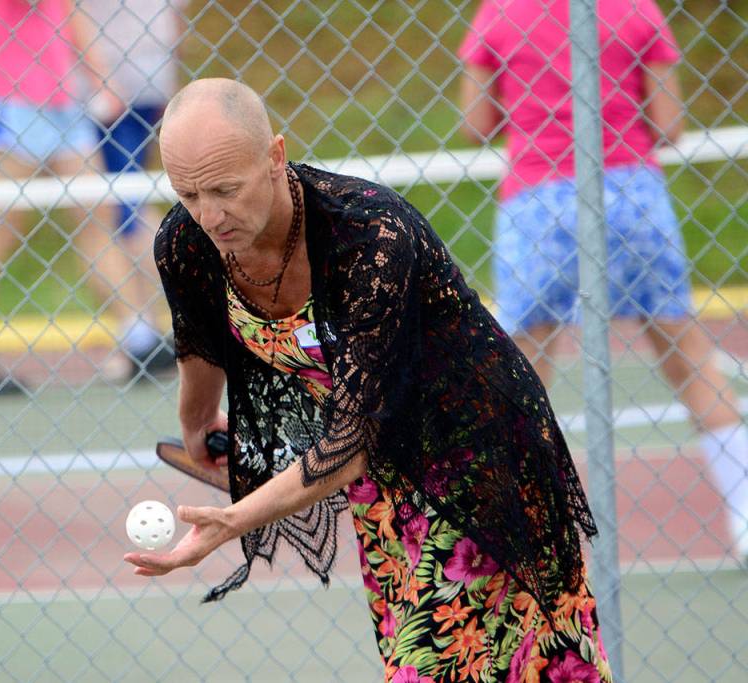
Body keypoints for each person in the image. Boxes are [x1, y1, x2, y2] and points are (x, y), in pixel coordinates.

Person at [125, 78, 614, 682]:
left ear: (276, 157)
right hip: (385, 487)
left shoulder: (370, 237)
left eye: (226, 189)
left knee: (455, 666)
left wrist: (234, 520)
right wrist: (197, 426)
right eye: (189, 193)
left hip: (476, 455)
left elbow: (353, 439)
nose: (209, 214)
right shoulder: (186, 243)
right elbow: (201, 340)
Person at [457, 0, 748, 564]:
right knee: (688, 358)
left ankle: (514, 536)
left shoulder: (499, 12)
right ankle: (746, 510)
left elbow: (476, 125)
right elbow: (668, 124)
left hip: (539, 200)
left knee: (525, 378)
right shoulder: (638, 8)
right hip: (630, 191)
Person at [0, 0, 167, 398]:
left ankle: (140, 339)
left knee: (96, 211)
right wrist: (100, 75)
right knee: (0, 225)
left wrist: (97, 76)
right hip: (7, 87)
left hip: (57, 89)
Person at [79, 0, 190, 378]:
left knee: (122, 213)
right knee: (125, 206)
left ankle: (151, 331)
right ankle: (145, 331)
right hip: (148, 79)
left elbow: (72, 16)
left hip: (112, 87)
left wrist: (101, 82)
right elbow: (175, 23)